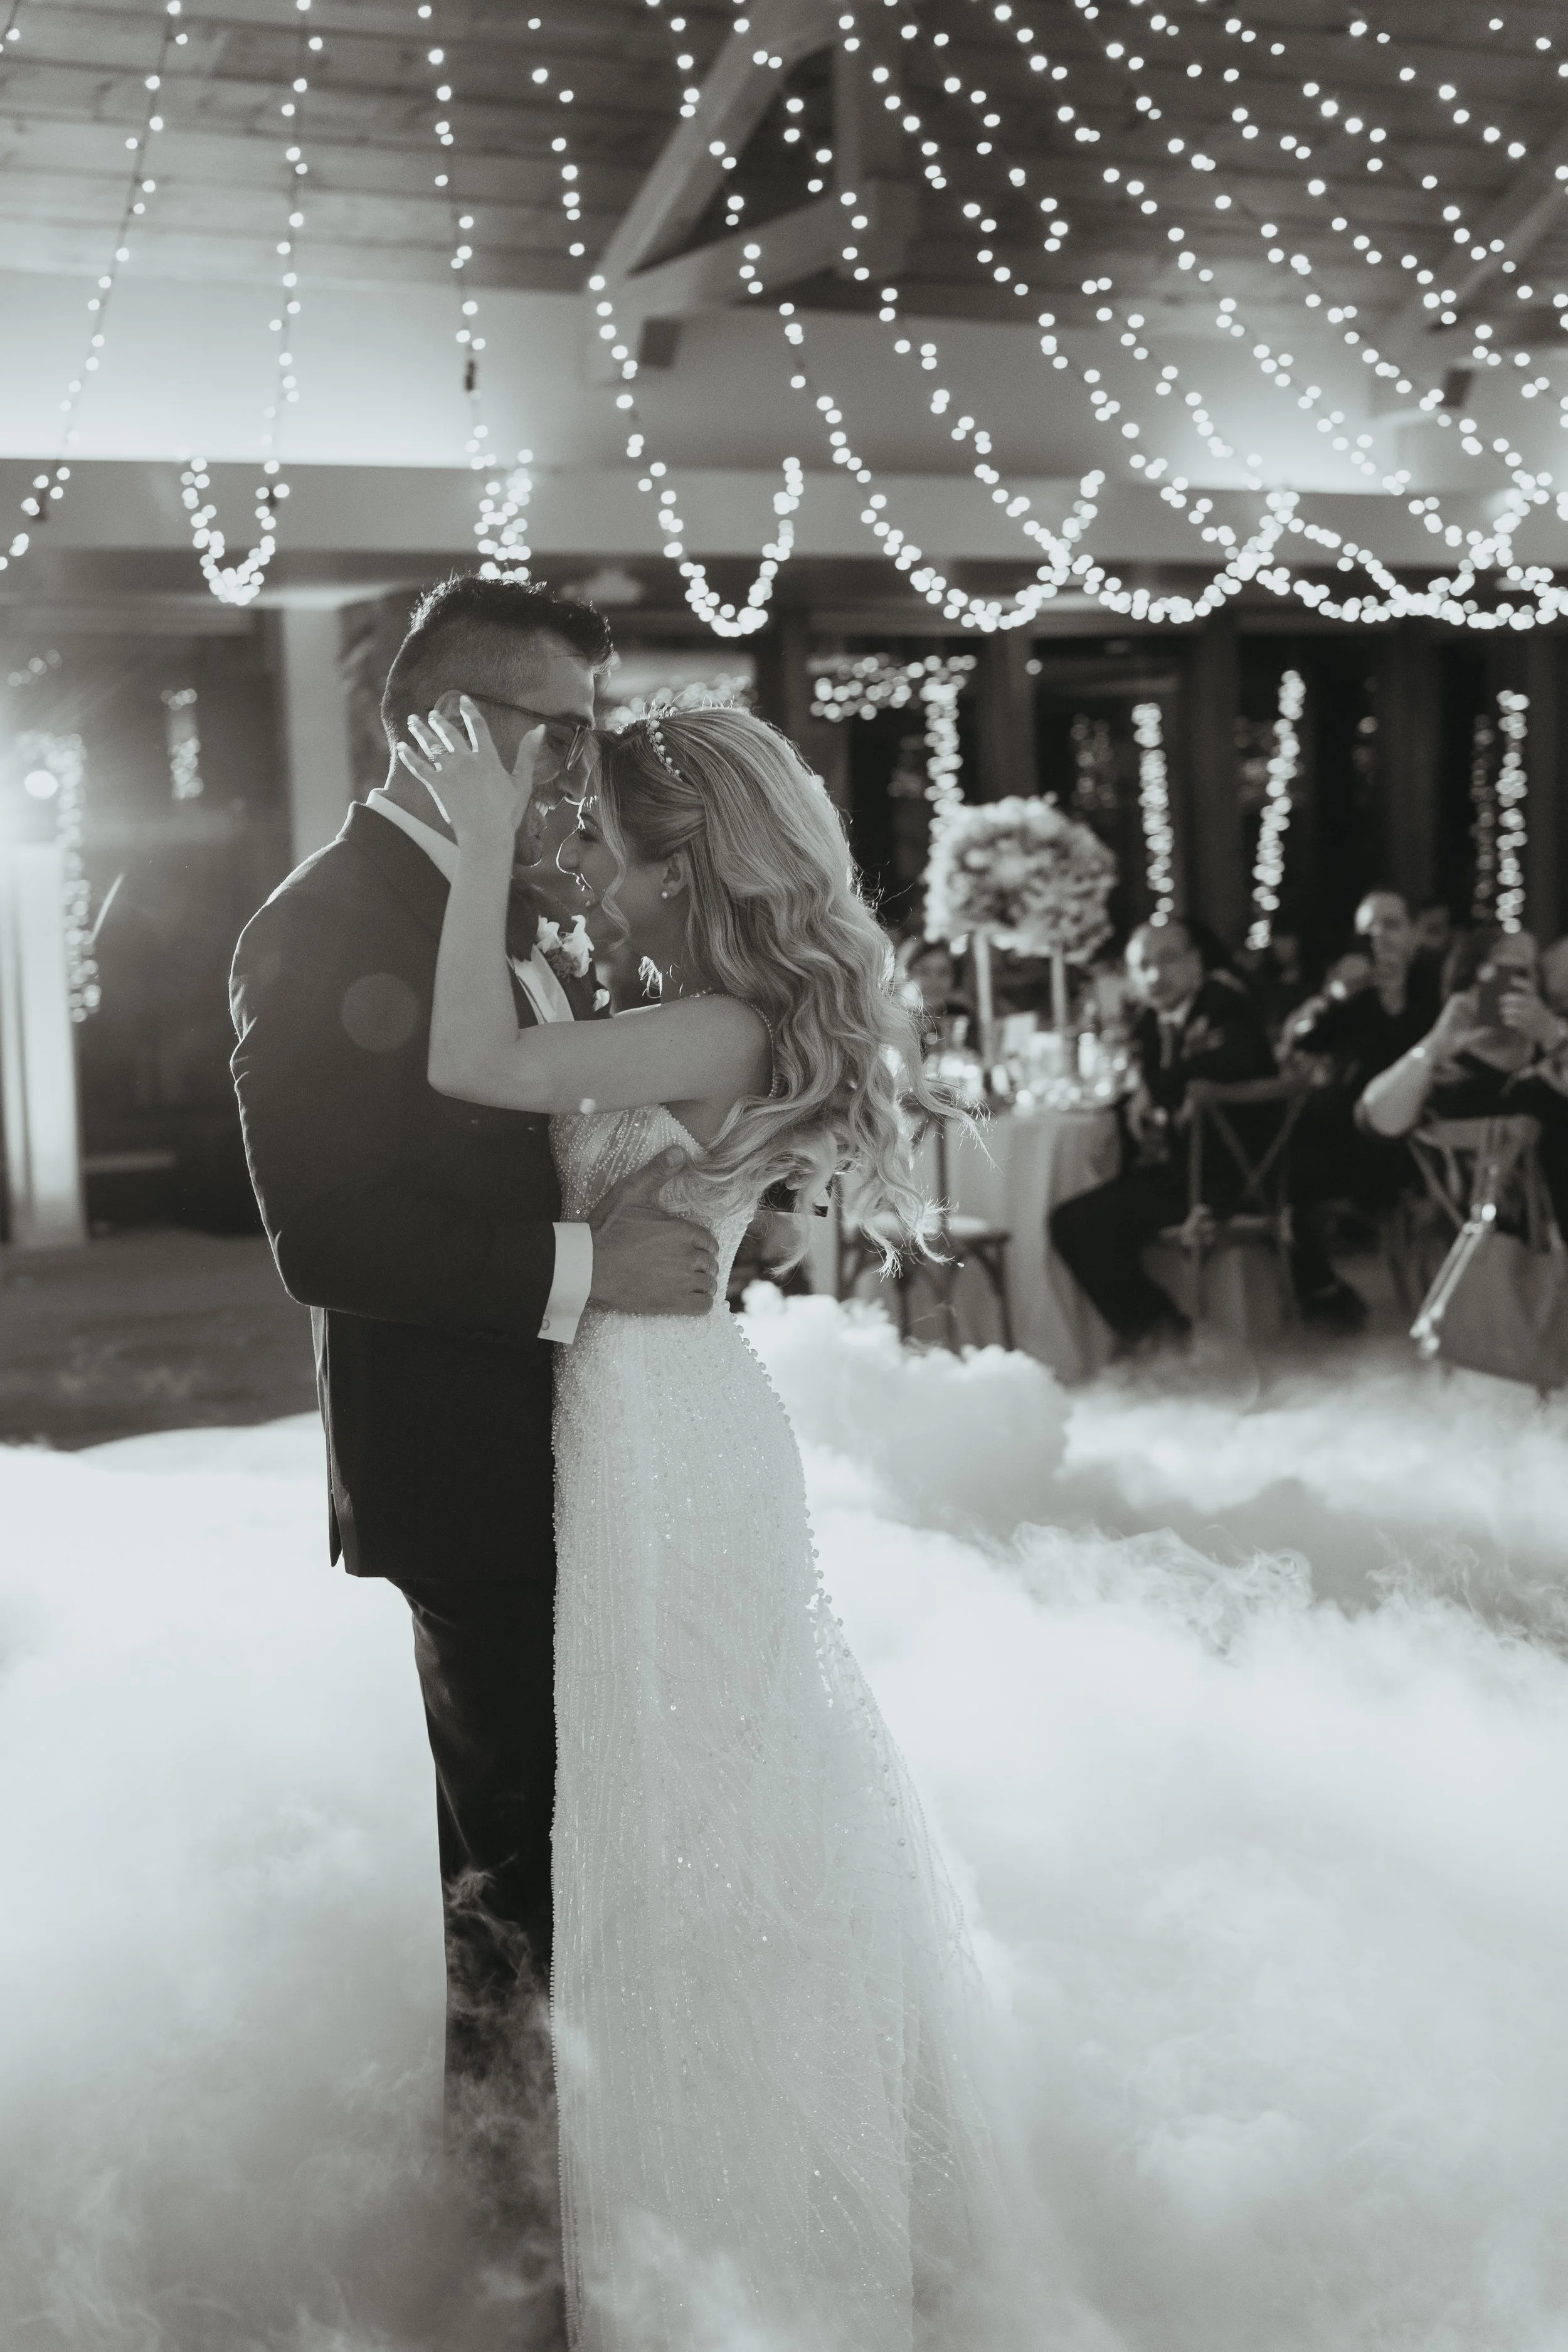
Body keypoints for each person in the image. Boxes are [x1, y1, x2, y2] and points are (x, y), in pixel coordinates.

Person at [394, 695, 1022, 2348]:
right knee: (667, 1819)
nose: (581, 854)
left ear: (686, 858)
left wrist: (468, 853)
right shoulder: (700, 1008)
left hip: (658, 1435)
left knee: (687, 1830)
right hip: (646, 1407)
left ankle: (737, 2239)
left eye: (601, 829)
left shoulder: (723, 1029)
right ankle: (667, 2205)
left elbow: (472, 1064)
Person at [228, 577, 721, 2282]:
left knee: (627, 1837)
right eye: (551, 728)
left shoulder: (523, 897)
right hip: (469, 1467)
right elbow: (329, 1236)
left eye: (589, 729)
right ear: (436, 719)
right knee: (517, 1872)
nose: (579, 768)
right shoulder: (322, 920)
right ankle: (518, 2239)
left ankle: (640, 2169)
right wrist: (597, 1262)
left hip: (616, 1450)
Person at [1049, 917, 1276, 1350]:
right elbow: (1137, 1089)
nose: (1155, 975)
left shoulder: (1224, 1003)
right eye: (1143, 966)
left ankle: (1160, 1334)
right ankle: (1158, 1329)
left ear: (1195, 962)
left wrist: (1153, 1089)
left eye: (1167, 960)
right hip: (1176, 1170)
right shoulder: (1152, 1024)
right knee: (1081, 1217)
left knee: (1081, 1223)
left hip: (1226, 1179)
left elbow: (1234, 1060)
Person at [1281, 890, 1441, 1327]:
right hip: (1348, 1142)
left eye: (1391, 925)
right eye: (1367, 928)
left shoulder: (1436, 988)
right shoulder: (1353, 993)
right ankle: (1327, 1293)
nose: (1378, 937)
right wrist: (1334, 997)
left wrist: (1396, 1004)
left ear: (1413, 935)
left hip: (1422, 1144)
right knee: (1277, 1178)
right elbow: (1298, 1039)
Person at [1359, 924, 1568, 1234]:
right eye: (1503, 974)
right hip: (1475, 1250)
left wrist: (1553, 1036)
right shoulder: (1444, 1072)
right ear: (1470, 983)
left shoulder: (1553, 1054)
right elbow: (1375, 1120)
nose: (1517, 988)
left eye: (1527, 973)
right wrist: (1434, 1046)